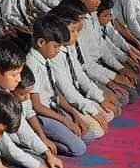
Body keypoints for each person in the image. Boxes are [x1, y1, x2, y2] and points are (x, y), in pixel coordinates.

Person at [24, 13, 95, 156]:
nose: (58, 51)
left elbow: (56, 93)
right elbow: (37, 106)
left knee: (88, 135)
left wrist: (74, 114)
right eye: (56, 46)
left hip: (52, 108)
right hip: (41, 116)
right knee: (78, 148)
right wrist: (65, 121)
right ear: (41, 42)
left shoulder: (46, 57)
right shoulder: (31, 63)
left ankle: (59, 135)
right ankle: (39, 140)